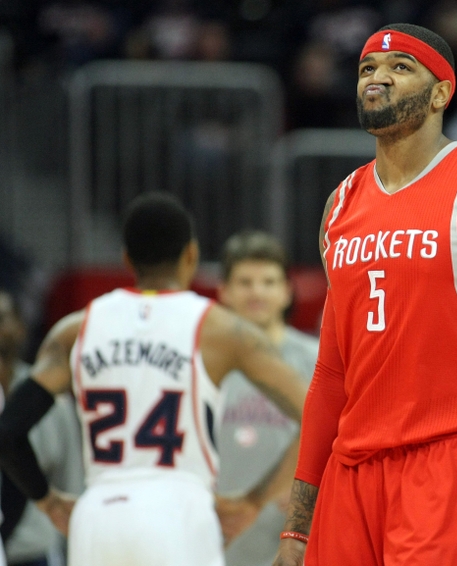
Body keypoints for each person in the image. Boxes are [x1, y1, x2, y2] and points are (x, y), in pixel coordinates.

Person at [274, 23, 457, 566]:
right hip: (352, 473)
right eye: (367, 68)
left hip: (453, 462)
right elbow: (332, 374)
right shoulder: (340, 205)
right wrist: (297, 527)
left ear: (441, 93)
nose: (377, 77)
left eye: (400, 67)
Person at [0, 192, 308, 566]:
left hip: (98, 514)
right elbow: (314, 417)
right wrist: (255, 500)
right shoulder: (219, 329)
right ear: (191, 255)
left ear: (126, 259)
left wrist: (46, 499)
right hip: (179, 510)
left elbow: (9, 431)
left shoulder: (76, 329)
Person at [215, 231, 318, 566]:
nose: (257, 292)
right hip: (218, 532)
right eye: (245, 282)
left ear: (287, 291)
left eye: (268, 282)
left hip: (290, 537)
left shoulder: (320, 361)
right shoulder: (205, 362)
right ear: (223, 291)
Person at [0, 289, 85, 566]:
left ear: (21, 328)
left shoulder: (49, 397)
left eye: (2, 319)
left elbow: (72, 482)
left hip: (34, 553)